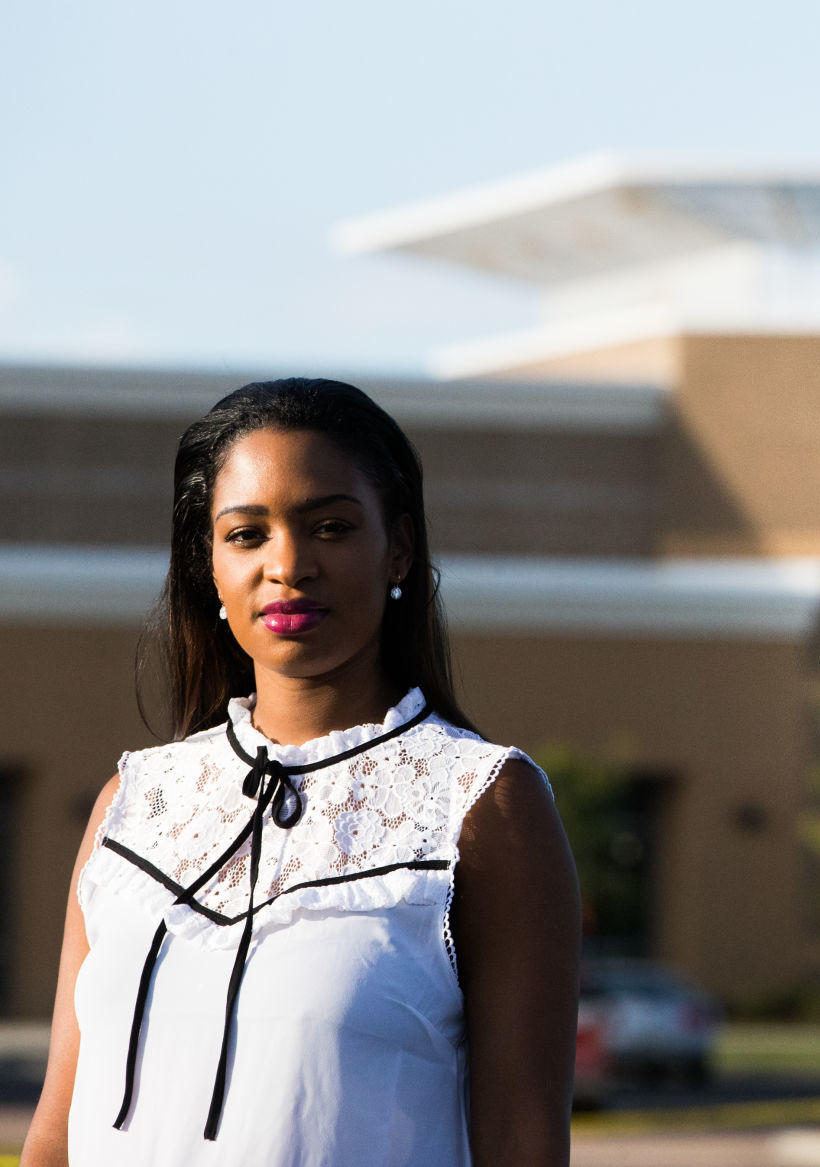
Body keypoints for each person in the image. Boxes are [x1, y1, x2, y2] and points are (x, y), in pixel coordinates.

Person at [22, 378, 581, 1166]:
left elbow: (523, 1144)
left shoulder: (484, 803)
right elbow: (56, 1130)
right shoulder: (134, 803)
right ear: (207, 563)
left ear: (400, 548)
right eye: (247, 534)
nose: (288, 565)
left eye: (330, 526)